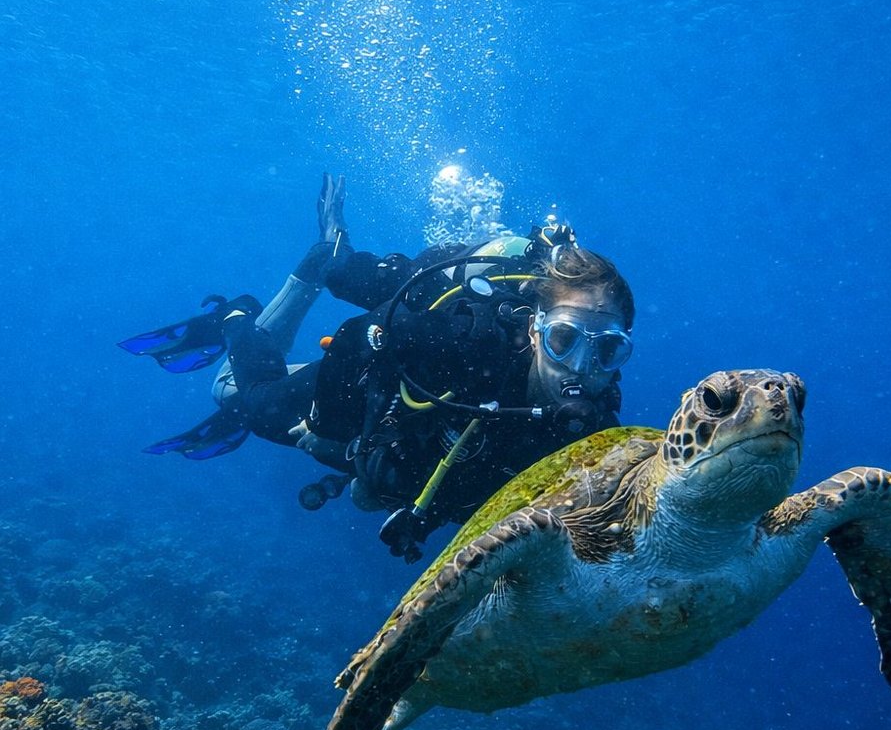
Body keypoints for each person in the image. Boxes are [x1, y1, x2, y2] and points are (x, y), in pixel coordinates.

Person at [121, 176, 635, 561]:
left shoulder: (595, 418)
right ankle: (238, 316)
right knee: (244, 400)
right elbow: (354, 341)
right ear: (533, 328)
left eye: (608, 351)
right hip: (386, 349)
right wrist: (340, 435)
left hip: (420, 373)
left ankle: (332, 266)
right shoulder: (456, 342)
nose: (584, 367)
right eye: (564, 340)